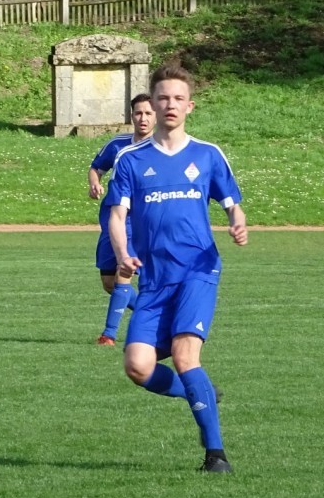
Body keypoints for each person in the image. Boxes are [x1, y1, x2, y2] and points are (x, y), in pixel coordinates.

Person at [107, 64, 248, 473]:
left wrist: (237, 220)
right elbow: (117, 216)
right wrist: (122, 252)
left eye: (177, 98)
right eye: (162, 97)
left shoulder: (207, 155)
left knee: (186, 357)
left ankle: (216, 455)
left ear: (190, 105)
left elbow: (232, 203)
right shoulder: (132, 160)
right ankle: (198, 391)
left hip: (198, 271)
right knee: (137, 366)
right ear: (152, 103)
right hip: (153, 279)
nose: (169, 104)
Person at [88, 93, 154, 346]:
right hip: (110, 220)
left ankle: (109, 335)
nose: (143, 118)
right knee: (109, 283)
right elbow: (96, 168)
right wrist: (94, 184)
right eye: (139, 113)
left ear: (156, 115)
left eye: (148, 113)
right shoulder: (118, 144)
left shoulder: (158, 149)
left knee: (122, 274)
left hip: (135, 222)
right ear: (132, 115)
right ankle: (154, 317)